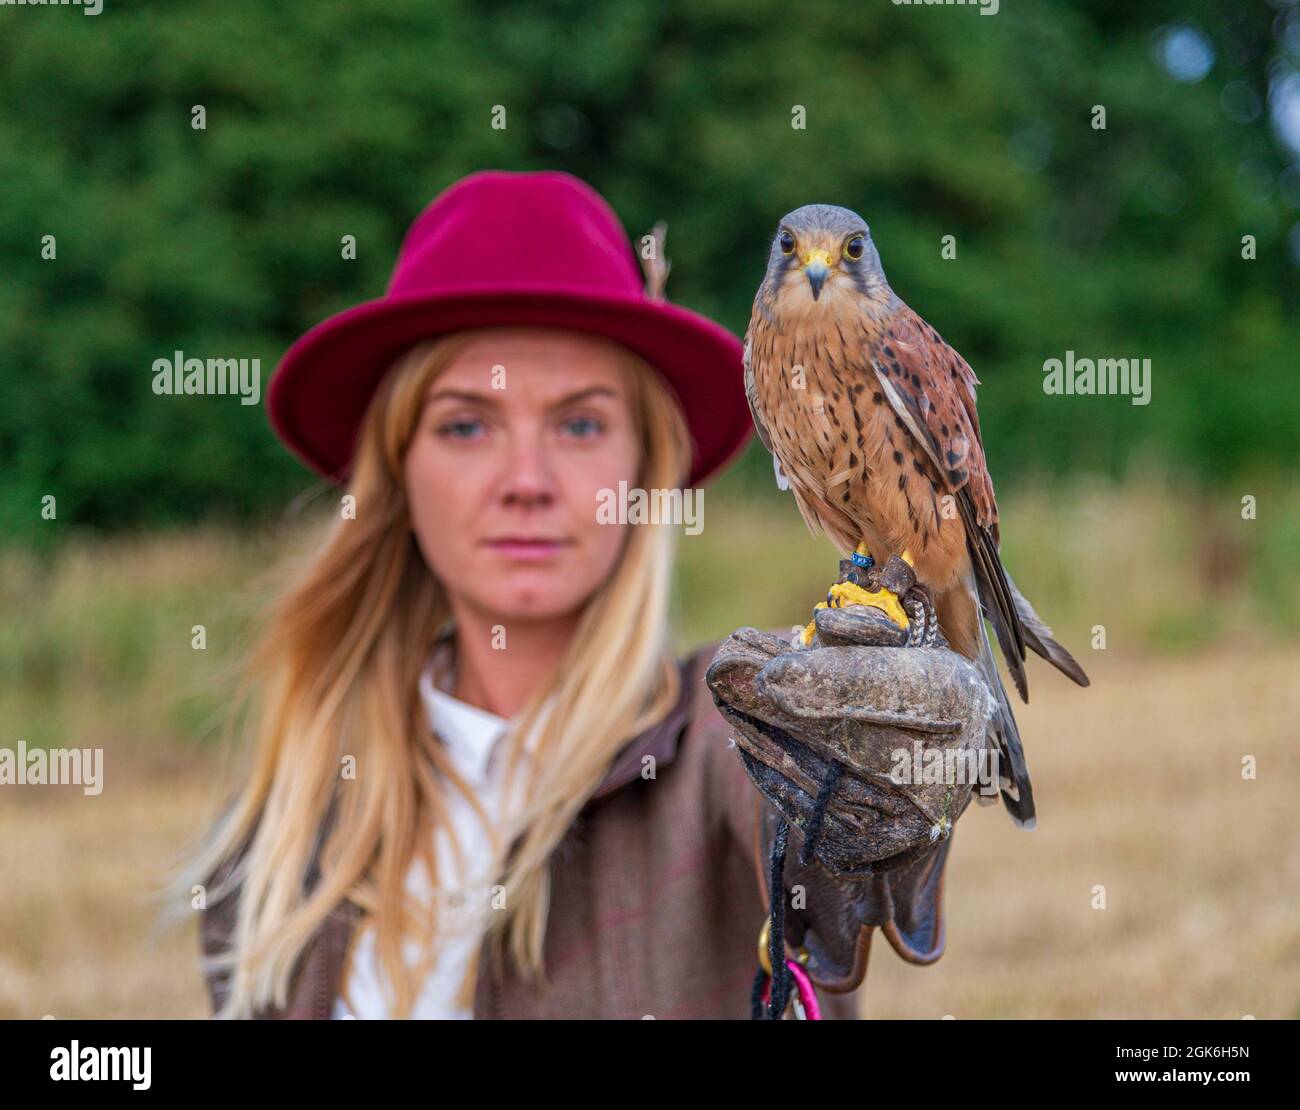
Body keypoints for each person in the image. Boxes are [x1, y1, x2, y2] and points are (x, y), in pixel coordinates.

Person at [183, 170, 986, 1020]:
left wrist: (885, 779)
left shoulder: (738, 731)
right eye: (466, 424)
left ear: (647, 463)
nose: (526, 481)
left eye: (579, 424)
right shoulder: (274, 849)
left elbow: (821, 863)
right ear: (395, 470)